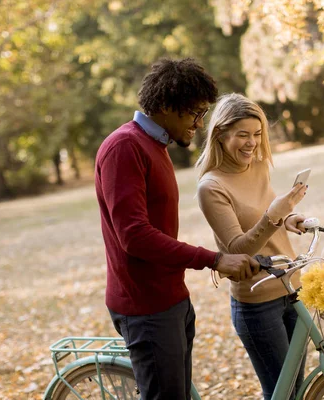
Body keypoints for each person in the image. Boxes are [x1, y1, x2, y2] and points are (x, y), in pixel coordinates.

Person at [94, 59, 260, 400]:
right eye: (195, 114)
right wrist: (213, 259)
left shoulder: (154, 146)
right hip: (145, 307)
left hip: (171, 298)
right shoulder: (125, 147)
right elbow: (134, 236)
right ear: (167, 107)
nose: (200, 124)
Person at [195, 93, 308, 400]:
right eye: (242, 135)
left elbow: (264, 217)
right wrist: (274, 215)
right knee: (281, 392)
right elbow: (237, 249)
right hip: (258, 303)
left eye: (257, 134)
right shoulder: (212, 186)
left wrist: (290, 218)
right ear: (220, 133)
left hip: (292, 287)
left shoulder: (258, 167)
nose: (252, 143)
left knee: (297, 389)